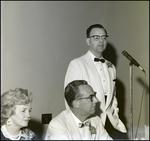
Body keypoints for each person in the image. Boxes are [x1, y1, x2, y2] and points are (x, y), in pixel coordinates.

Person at [64, 24, 127, 138]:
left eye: (104, 37)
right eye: (96, 37)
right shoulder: (77, 64)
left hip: (110, 123)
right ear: (88, 41)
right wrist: (78, 126)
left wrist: (114, 114)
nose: (101, 41)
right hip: (89, 123)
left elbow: (113, 98)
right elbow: (70, 99)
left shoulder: (111, 66)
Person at [45, 80, 112, 140]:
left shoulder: (96, 120)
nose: (96, 100)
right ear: (76, 103)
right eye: (91, 97)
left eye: (95, 95)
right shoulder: (58, 125)